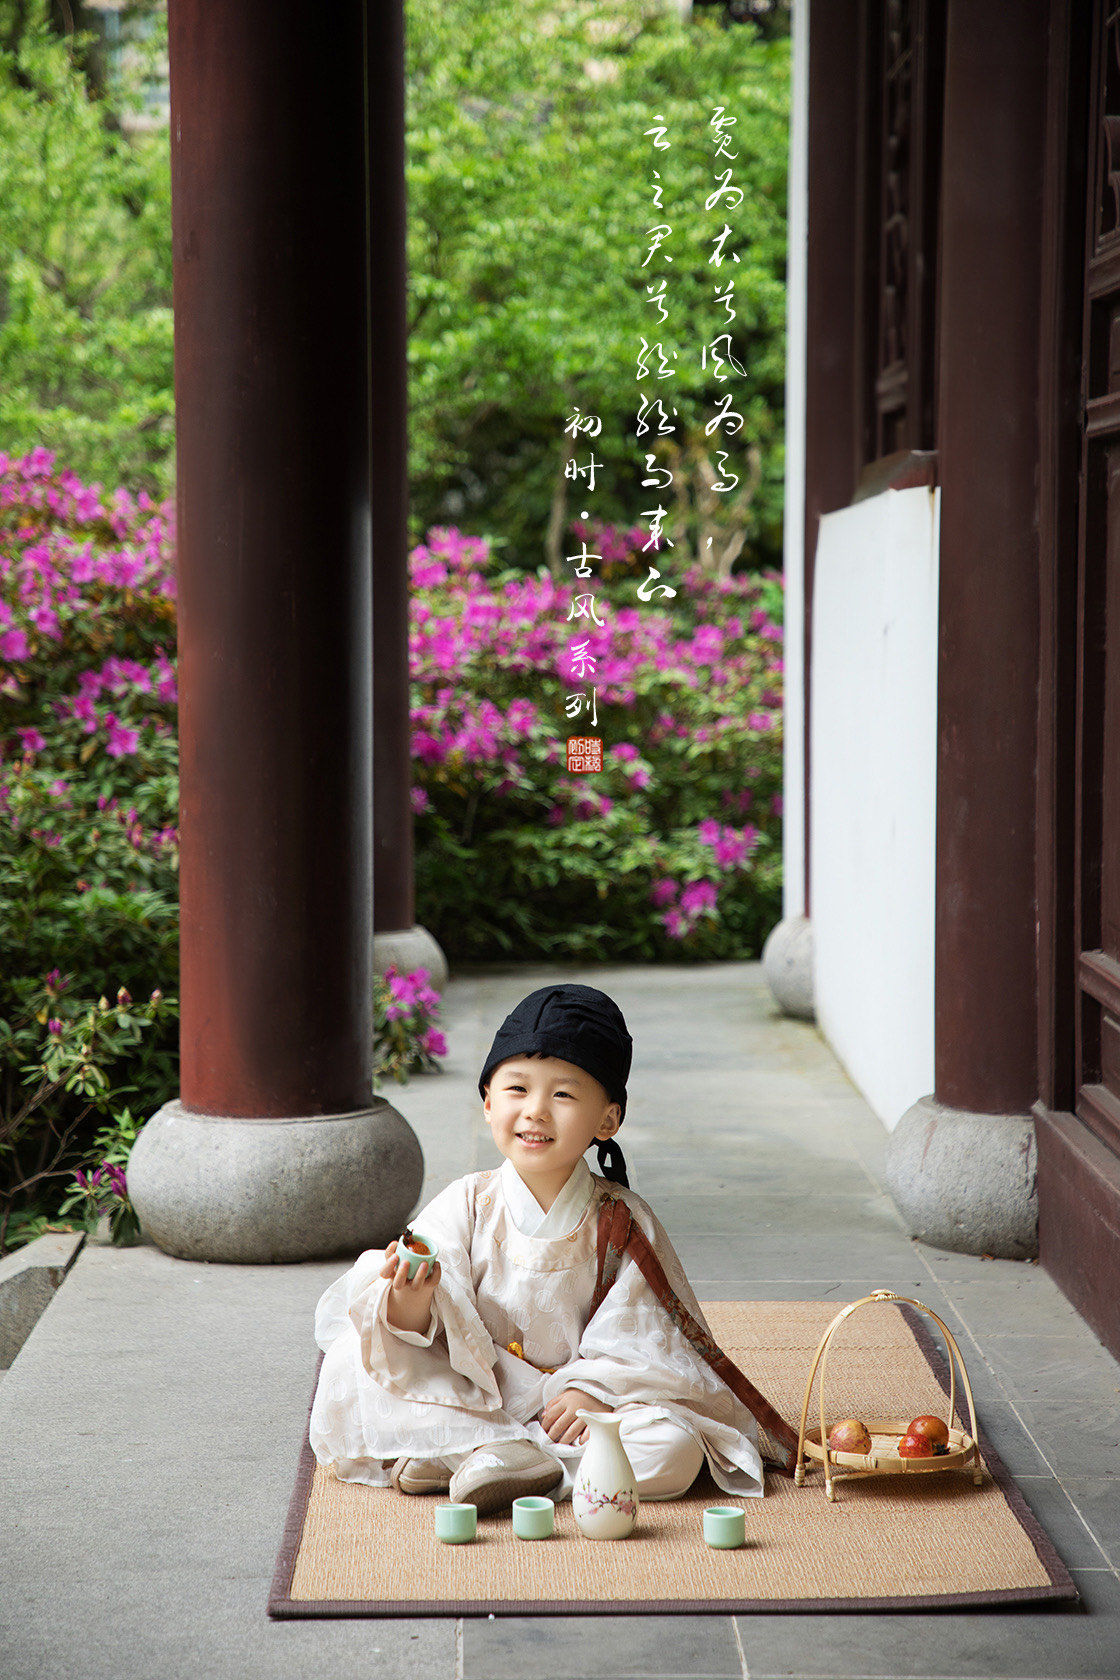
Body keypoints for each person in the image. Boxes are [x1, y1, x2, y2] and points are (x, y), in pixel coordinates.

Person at [309, 982, 765, 1515]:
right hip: (482, 1390)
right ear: (488, 1103)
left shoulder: (621, 1219)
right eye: (517, 1089)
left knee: (673, 1448)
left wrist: (593, 1390)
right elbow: (418, 1326)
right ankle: (509, 1457)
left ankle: (479, 1459)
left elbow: (646, 1337)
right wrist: (409, 1298)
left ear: (607, 1120)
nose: (536, 1111)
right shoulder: (468, 1202)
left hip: (574, 1414)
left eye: (563, 1095)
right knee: (356, 1357)